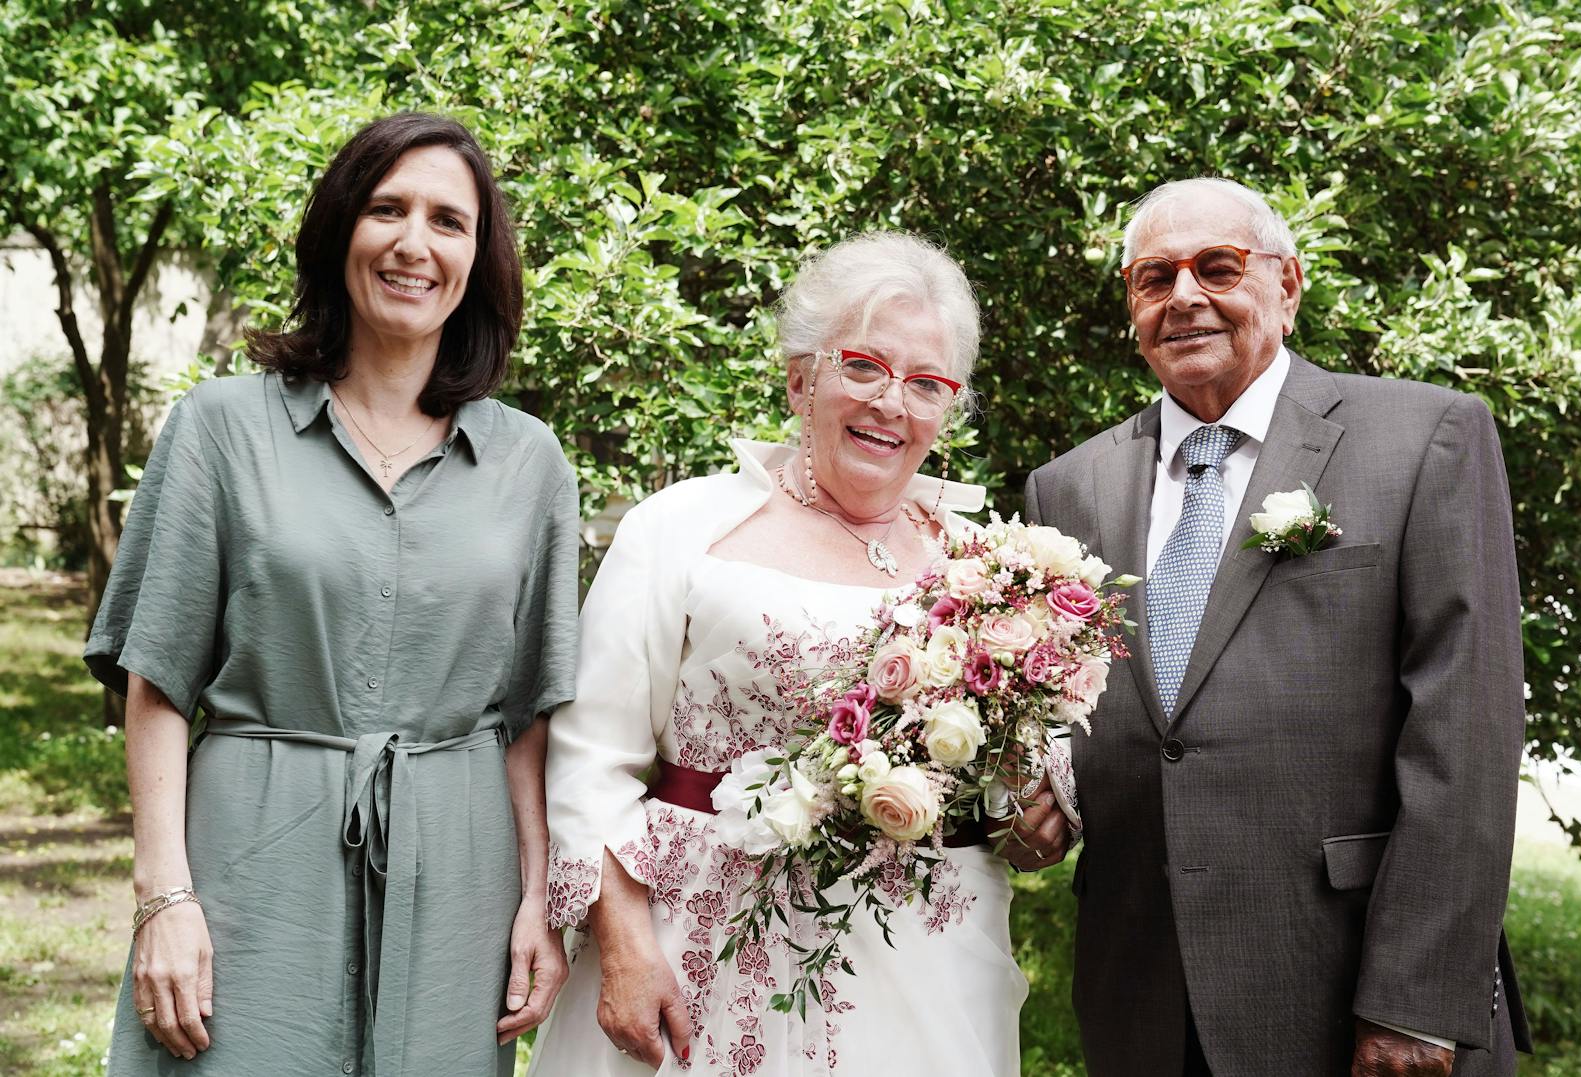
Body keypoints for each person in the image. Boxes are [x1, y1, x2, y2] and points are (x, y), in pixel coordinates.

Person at [84, 112, 579, 1076]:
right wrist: (163, 897)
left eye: (448, 220)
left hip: (458, 880)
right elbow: (155, 683)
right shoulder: (221, 429)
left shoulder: (530, 463)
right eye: (386, 209)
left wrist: (536, 902)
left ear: (478, 257)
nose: (413, 243)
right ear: (339, 229)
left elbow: (527, 717)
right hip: (248, 866)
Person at [1024, 177, 1530, 1075]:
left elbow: (1467, 732)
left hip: (1346, 983)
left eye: (1217, 266)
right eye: (1153, 278)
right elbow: (1080, 707)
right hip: (1141, 988)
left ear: (1288, 286)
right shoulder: (1067, 488)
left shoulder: (1426, 438)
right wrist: (1042, 786)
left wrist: (1414, 1001)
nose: (1184, 296)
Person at [533, 232, 1059, 1077]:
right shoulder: (681, 529)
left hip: (924, 969)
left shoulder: (983, 568)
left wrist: (1033, 802)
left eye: (926, 383)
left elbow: (1013, 781)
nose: (892, 402)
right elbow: (590, 760)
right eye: (862, 366)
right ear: (798, 377)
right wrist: (625, 945)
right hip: (700, 953)